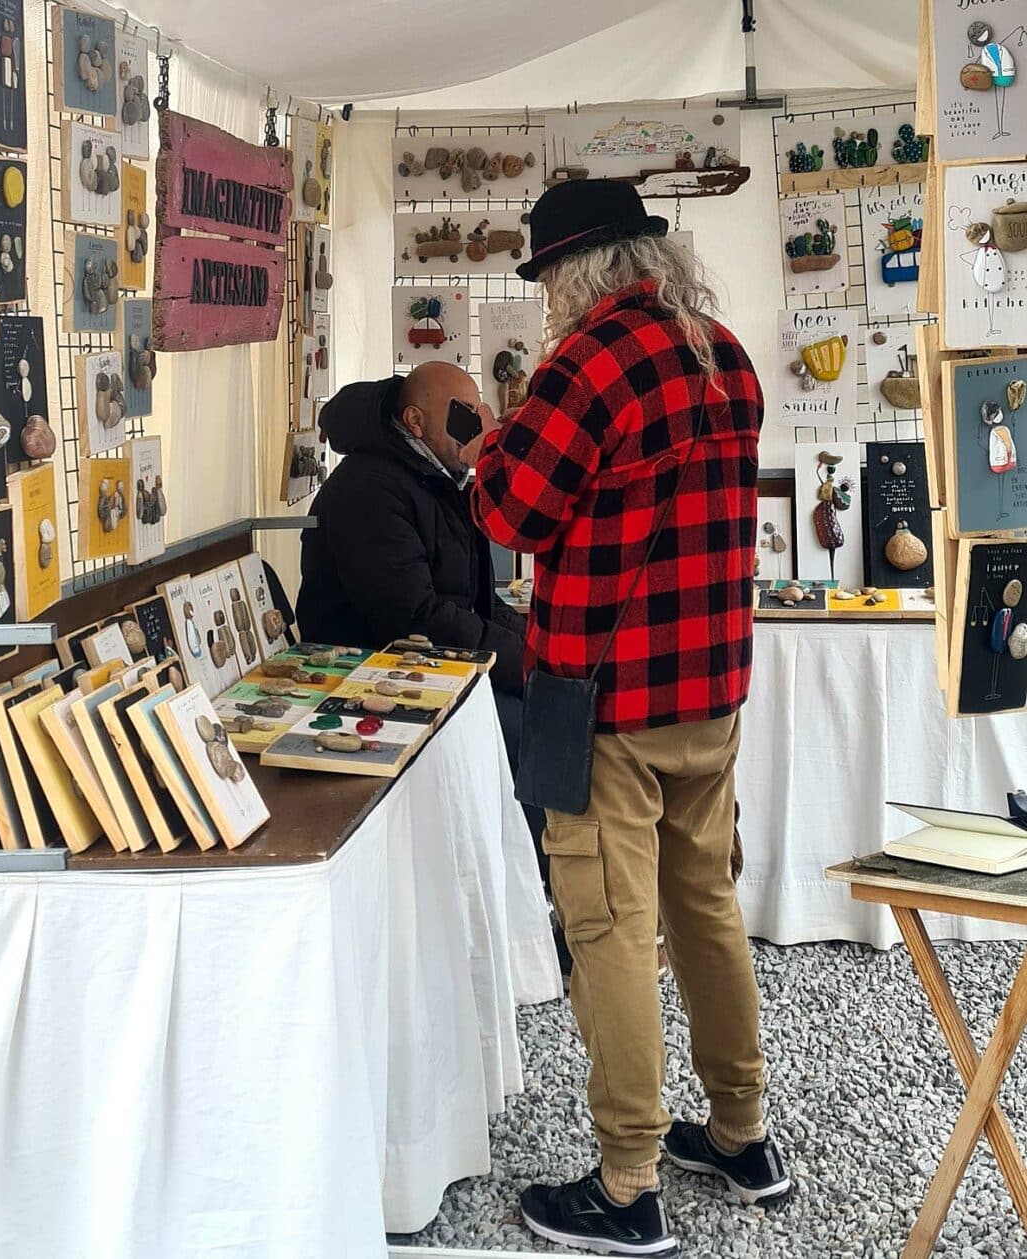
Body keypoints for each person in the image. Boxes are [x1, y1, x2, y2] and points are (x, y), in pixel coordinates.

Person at [467, 179, 790, 1256]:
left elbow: (510, 512)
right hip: (709, 689)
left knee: (608, 929)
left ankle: (627, 1179)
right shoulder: (723, 351)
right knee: (704, 908)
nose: (549, 302)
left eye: (549, 280)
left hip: (606, 701)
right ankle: (741, 1132)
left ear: (570, 273)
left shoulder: (585, 365)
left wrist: (488, 443)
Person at [296, 363, 564, 959]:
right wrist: (529, 660)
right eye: (462, 415)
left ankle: (544, 911)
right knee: (528, 735)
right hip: (373, 676)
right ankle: (540, 923)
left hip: (439, 665)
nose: (477, 428)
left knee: (544, 719)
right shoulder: (371, 488)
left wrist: (544, 643)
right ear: (415, 420)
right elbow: (413, 615)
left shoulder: (440, 480)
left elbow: (474, 601)